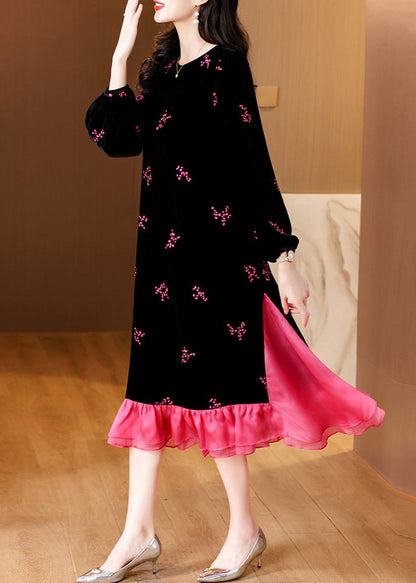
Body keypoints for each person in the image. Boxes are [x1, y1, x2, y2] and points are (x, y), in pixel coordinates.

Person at [78, 1, 385, 581]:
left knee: (217, 391)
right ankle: (138, 534)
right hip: (161, 262)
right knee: (150, 385)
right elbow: (117, 138)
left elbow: (252, 167)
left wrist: (283, 257)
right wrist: (120, 56)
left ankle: (243, 531)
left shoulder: (225, 67)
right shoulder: (162, 72)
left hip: (216, 260)